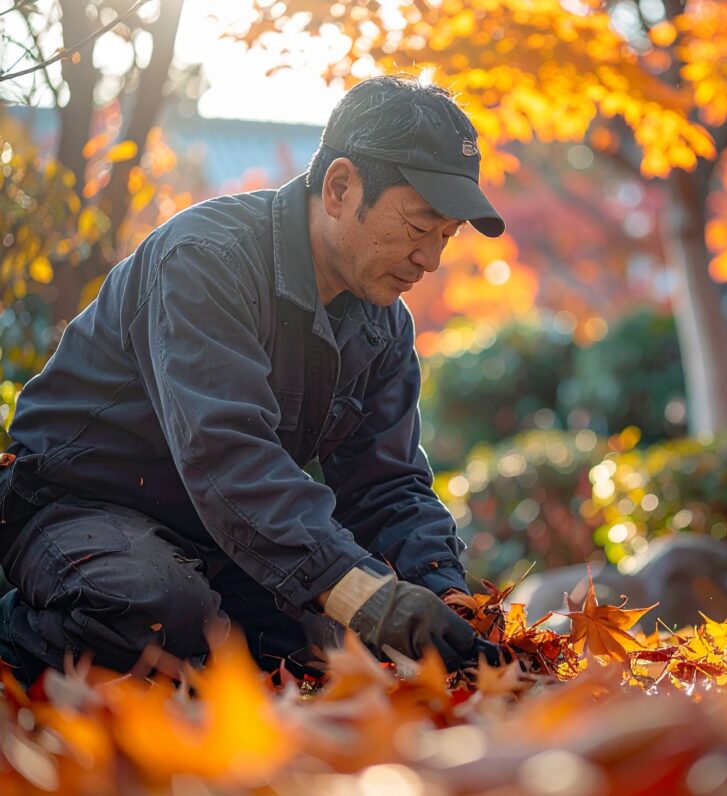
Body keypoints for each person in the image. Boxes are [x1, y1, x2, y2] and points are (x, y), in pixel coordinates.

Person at [0, 75, 505, 684]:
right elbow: (228, 452)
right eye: (420, 227)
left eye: (447, 237)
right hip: (79, 509)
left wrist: (443, 597)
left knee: (338, 650)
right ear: (341, 187)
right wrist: (367, 595)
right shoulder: (207, 259)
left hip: (227, 541)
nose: (432, 259)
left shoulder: (383, 326)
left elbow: (388, 486)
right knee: (159, 612)